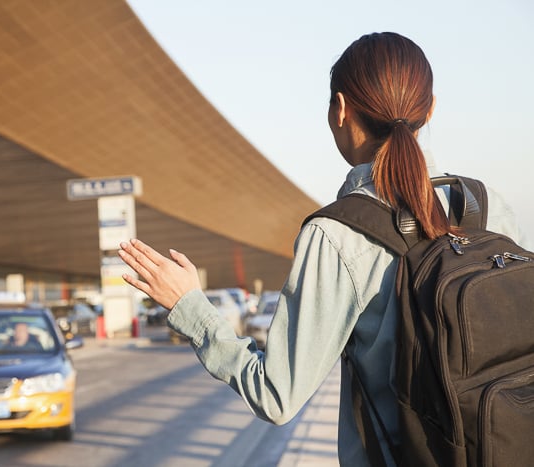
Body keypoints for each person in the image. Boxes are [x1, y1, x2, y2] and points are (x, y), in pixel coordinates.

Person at [117, 32, 528, 466]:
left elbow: (277, 394)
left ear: (340, 109)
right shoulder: (486, 206)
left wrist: (189, 306)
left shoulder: (337, 234)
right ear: (430, 109)